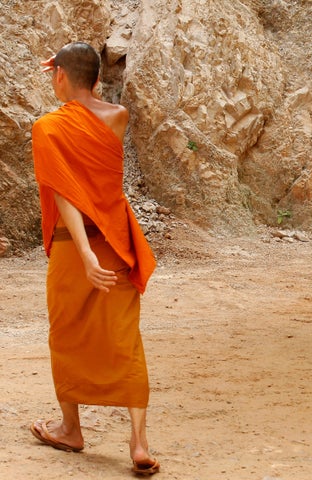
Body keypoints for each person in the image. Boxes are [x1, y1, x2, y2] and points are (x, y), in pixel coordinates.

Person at [30, 42, 159, 476]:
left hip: (74, 244)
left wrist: (84, 255)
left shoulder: (47, 127)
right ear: (98, 79)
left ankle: (70, 428)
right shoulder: (117, 117)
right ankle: (139, 443)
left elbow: (65, 191)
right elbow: (98, 182)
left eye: (53, 74)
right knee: (125, 335)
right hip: (116, 238)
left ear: (61, 75)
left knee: (65, 330)